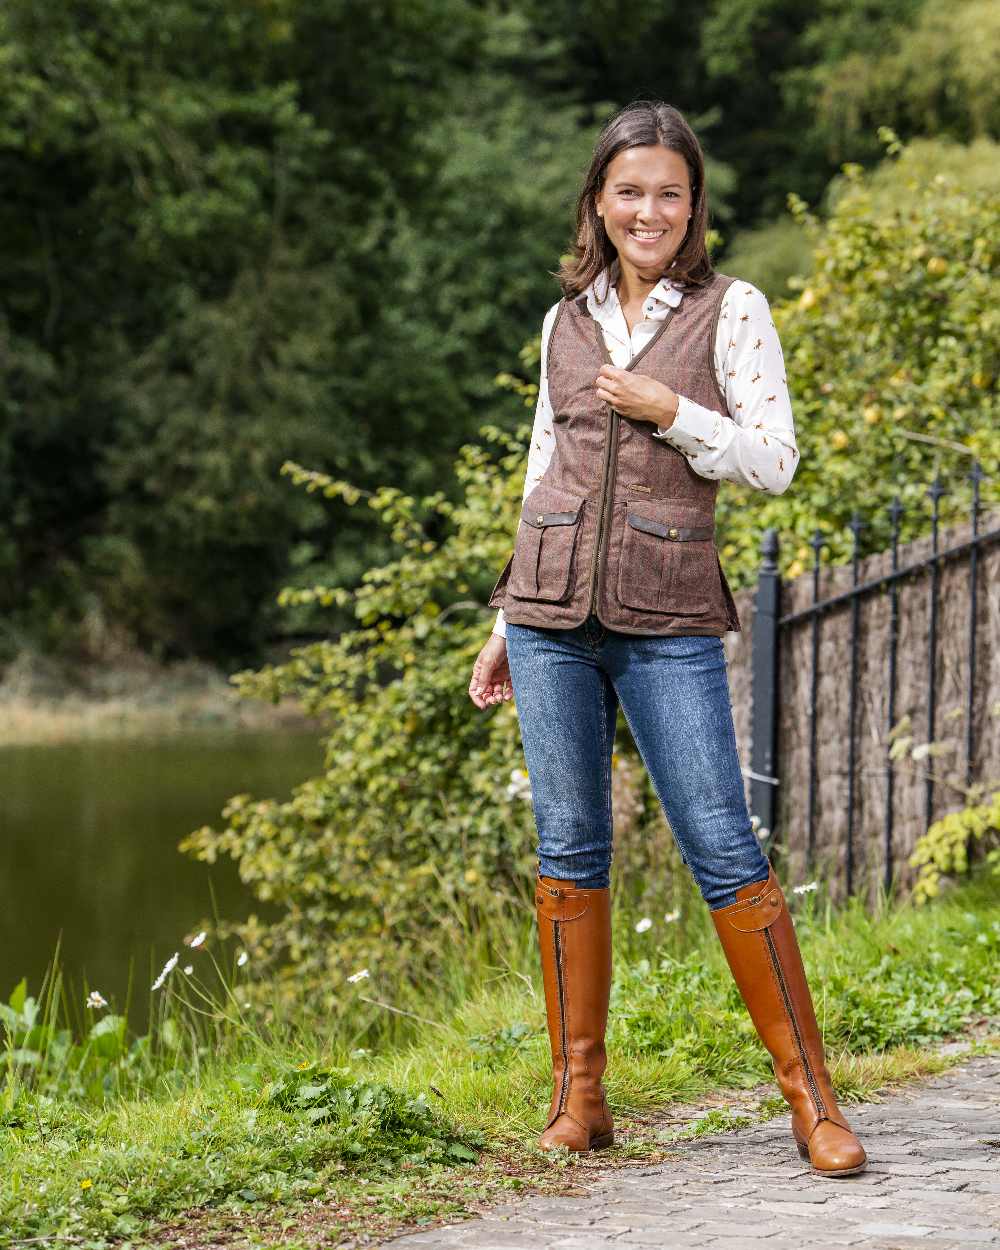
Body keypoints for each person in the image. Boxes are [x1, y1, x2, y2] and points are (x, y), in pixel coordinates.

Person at [467, 99, 867, 1179]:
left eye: (669, 193)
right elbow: (541, 467)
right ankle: (579, 1098)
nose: (649, 210)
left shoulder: (731, 310)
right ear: (599, 199)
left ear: (693, 206)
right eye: (629, 190)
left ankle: (812, 1100)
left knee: (725, 847)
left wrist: (666, 410)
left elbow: (773, 458)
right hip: (550, 618)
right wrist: (508, 618)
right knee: (568, 851)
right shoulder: (565, 319)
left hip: (668, 618)